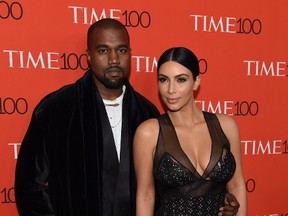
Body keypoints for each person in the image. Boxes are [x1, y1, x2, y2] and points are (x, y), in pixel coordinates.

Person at [14, 19, 240, 216]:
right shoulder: (57, 108)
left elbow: (168, 189)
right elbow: (28, 185)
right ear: (89, 56)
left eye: (121, 50)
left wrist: (220, 196)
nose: (113, 59)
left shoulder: (147, 113)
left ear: (130, 54)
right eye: (103, 50)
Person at [133, 47, 247, 215]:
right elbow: (146, 196)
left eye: (181, 80)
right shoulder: (148, 133)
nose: (171, 89)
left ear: (196, 82)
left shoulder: (226, 126)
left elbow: (237, 185)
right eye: (164, 80)